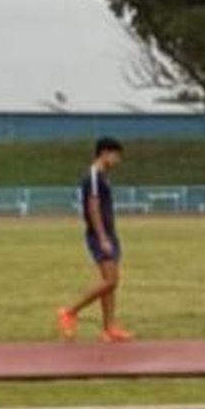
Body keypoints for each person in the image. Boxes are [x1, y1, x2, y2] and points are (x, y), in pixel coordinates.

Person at [56, 137, 134, 342]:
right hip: (100, 235)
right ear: (104, 153)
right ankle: (70, 311)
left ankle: (109, 327)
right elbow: (93, 207)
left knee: (111, 283)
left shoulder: (103, 176)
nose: (118, 160)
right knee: (110, 281)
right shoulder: (93, 176)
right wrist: (102, 237)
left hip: (109, 233)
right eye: (116, 155)